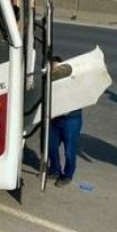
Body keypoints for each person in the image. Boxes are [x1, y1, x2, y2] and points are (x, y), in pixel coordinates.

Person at [47, 56, 83, 187]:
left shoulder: (73, 80)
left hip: (71, 119)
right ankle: (55, 169)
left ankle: (67, 175)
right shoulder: (49, 82)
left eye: (56, 67)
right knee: (51, 145)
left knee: (69, 150)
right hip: (55, 119)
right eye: (52, 68)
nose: (54, 71)